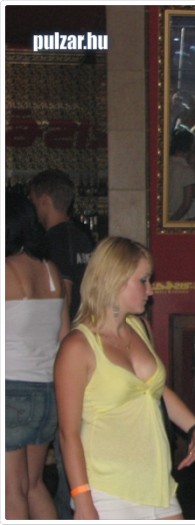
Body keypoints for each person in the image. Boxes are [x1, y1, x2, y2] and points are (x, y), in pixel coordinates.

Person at [54, 237, 195, 520]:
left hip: (157, 482)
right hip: (107, 488)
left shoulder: (140, 326)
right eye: (143, 280)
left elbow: (154, 390)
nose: (150, 290)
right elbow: (68, 433)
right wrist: (82, 499)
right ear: (115, 280)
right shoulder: (78, 346)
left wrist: (194, 426)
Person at [28, 168, 94, 518]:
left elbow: (63, 300)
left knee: (67, 438)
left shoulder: (53, 241)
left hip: (69, 348)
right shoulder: (86, 238)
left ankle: (71, 511)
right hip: (91, 344)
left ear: (43, 200)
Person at [5, 193, 70, 520]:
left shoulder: (6, 270)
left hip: (10, 389)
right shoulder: (51, 271)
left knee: (10, 492)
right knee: (33, 485)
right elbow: (64, 336)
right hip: (47, 391)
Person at [28, 169, 94, 321]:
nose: (32, 206)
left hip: (68, 326)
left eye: (33, 200)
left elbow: (65, 297)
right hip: (86, 322)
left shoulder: (55, 240)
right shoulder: (82, 236)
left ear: (44, 200)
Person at [168, 128, 195, 220]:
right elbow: (186, 204)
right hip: (180, 216)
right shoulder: (186, 170)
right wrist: (173, 220)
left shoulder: (166, 164)